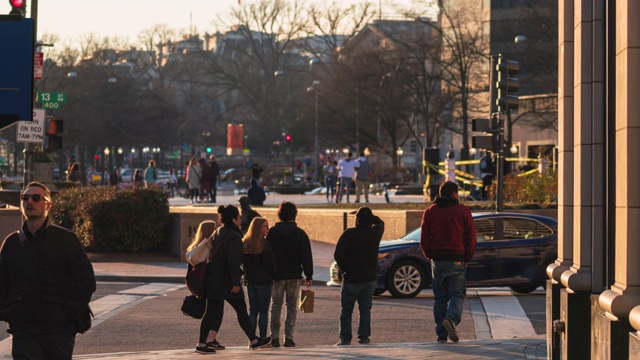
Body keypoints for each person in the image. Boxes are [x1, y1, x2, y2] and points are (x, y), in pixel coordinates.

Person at [0, 181, 96, 359]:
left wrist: (69, 315)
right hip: (23, 329)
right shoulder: (11, 243)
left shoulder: (66, 239)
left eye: (36, 198)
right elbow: (2, 282)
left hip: (58, 329)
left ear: (48, 205)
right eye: (25, 197)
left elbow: (85, 280)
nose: (29, 202)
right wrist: (8, 312)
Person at [196, 205, 271, 353]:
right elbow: (233, 261)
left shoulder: (218, 231)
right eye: (239, 217)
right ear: (234, 219)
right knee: (241, 311)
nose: (241, 219)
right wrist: (236, 282)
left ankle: (202, 344)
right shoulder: (234, 236)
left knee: (211, 312)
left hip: (213, 280)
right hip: (227, 281)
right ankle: (254, 340)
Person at [420, 181, 476, 343]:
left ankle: (441, 333)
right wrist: (467, 257)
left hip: (437, 259)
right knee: (457, 295)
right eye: (457, 193)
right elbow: (471, 237)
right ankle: (451, 320)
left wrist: (429, 254)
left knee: (440, 298)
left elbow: (424, 236)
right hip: (457, 258)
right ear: (452, 193)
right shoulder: (462, 211)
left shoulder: (430, 211)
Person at [333, 207, 384, 346]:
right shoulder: (375, 234)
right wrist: (371, 216)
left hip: (352, 278)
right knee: (365, 309)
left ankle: (345, 338)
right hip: (369, 278)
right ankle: (364, 337)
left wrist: (345, 269)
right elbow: (381, 223)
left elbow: (338, 255)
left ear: (357, 220)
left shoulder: (349, 234)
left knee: (346, 310)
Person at [267, 201, 313, 348]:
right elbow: (306, 256)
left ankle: (274, 337)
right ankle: (289, 337)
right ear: (294, 214)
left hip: (277, 275)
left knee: (276, 305)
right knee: (291, 306)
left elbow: (268, 254)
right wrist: (309, 275)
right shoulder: (300, 234)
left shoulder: (272, 233)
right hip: (294, 275)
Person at [186, 220, 226, 352]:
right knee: (214, 312)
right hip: (210, 283)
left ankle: (209, 340)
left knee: (212, 312)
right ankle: (207, 341)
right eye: (215, 228)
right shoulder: (208, 247)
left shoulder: (194, 248)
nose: (217, 231)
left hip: (201, 285)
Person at [242, 217, 276, 339]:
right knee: (263, 311)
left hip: (250, 281)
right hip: (264, 282)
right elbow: (270, 264)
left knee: (253, 311)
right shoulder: (264, 244)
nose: (268, 229)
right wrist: (272, 275)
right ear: (258, 228)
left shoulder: (246, 243)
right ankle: (262, 337)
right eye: (265, 226)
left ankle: (252, 339)